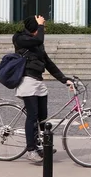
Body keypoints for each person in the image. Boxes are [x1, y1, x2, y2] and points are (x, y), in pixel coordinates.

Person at [13, 15, 73, 163]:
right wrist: (40, 26)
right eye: (41, 26)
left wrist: (64, 79)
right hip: (27, 80)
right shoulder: (20, 38)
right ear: (34, 27)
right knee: (32, 116)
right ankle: (31, 150)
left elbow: (48, 63)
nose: (44, 28)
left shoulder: (38, 44)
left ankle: (41, 146)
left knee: (43, 117)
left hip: (38, 81)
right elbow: (39, 39)